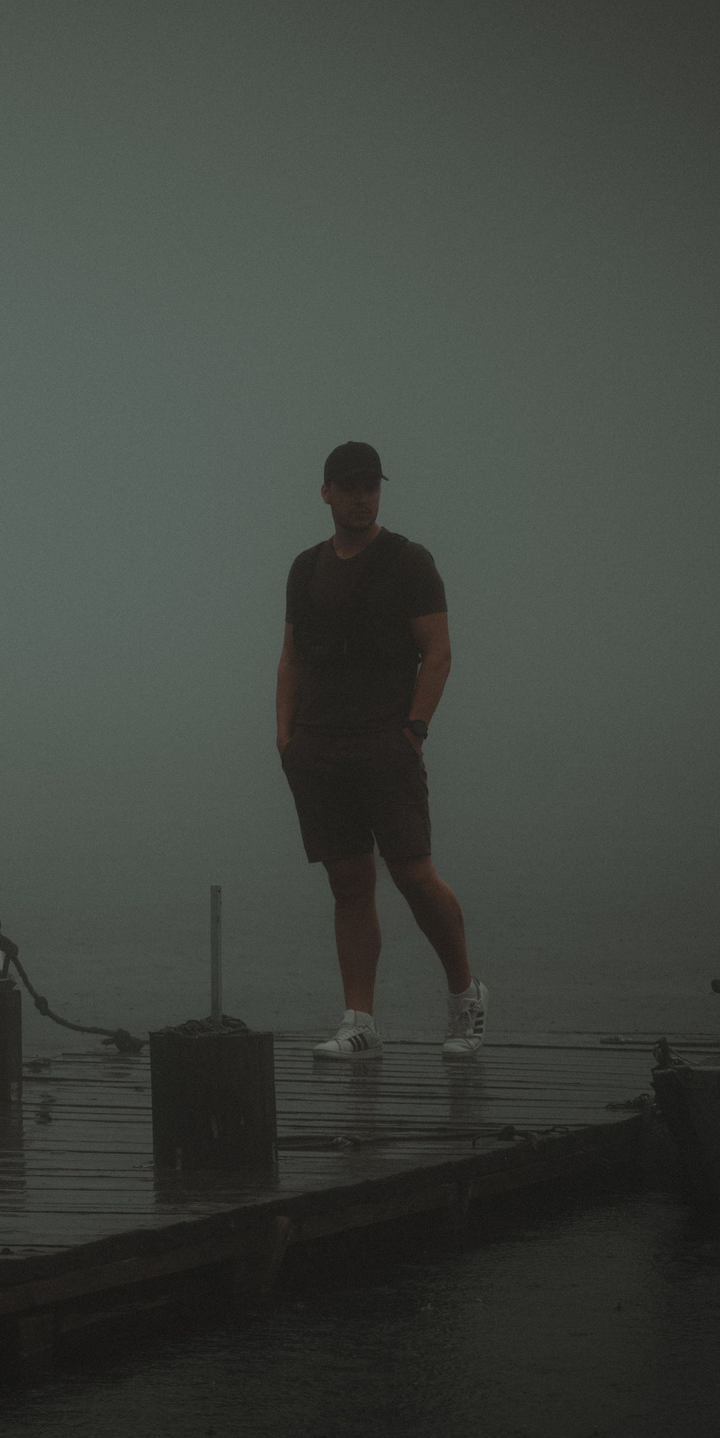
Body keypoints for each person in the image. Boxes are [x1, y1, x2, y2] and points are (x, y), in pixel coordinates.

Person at [275, 441, 484, 1061]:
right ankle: (359, 1022)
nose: (362, 496)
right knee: (347, 882)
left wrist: (414, 730)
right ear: (326, 493)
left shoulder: (409, 561)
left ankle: (466, 1001)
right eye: (350, 485)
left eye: (371, 485)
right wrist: (284, 736)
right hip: (319, 746)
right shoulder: (305, 568)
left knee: (414, 875)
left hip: (385, 742)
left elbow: (438, 652)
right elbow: (290, 656)